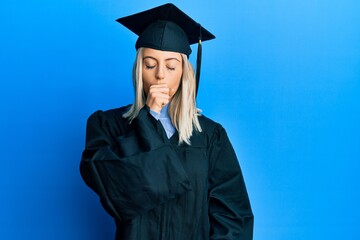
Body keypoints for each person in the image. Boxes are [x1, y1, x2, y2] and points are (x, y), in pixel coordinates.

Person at [80, 3, 254, 240]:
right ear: (139, 70)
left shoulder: (210, 136)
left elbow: (232, 216)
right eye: (150, 64)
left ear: (184, 72)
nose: (160, 74)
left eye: (171, 66)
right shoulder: (108, 125)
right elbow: (112, 188)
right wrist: (148, 118)